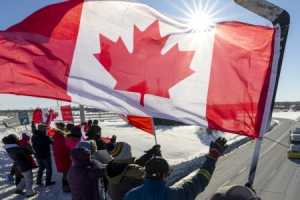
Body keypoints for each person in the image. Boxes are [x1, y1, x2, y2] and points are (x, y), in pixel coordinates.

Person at [124, 137, 228, 200]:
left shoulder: (130, 195)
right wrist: (212, 159)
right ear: (164, 175)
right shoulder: (172, 195)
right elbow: (199, 182)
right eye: (168, 174)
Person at [52, 128, 72, 192]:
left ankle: (65, 187)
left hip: (59, 159)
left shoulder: (55, 141)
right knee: (67, 173)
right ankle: (66, 187)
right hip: (65, 159)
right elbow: (68, 148)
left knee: (65, 173)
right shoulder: (63, 140)